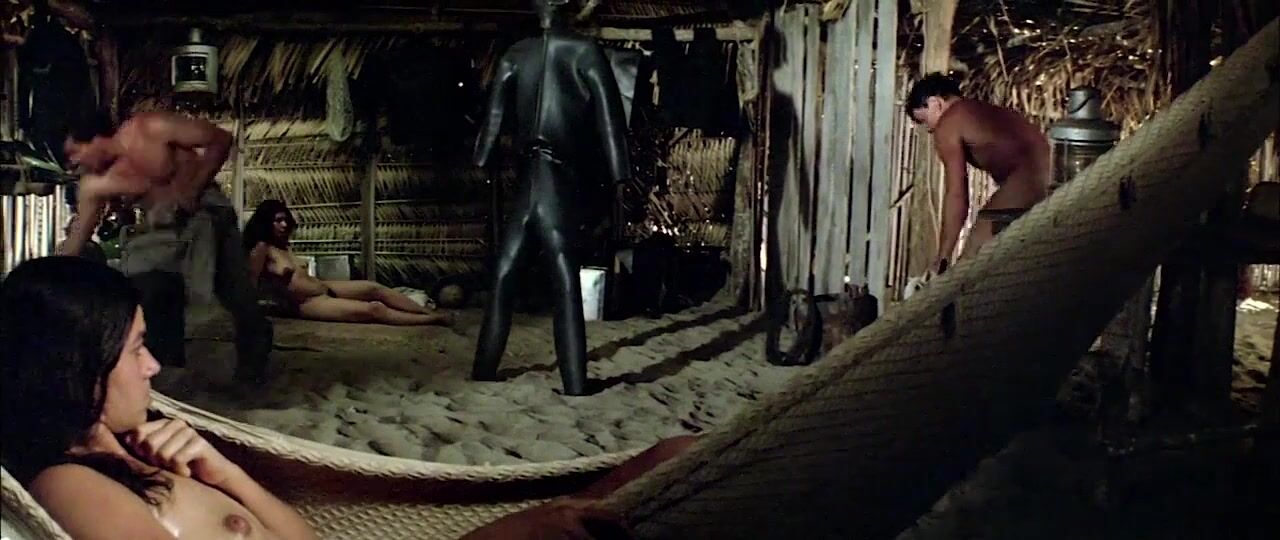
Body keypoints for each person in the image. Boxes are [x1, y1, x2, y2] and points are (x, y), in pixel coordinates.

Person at [1, 256, 698, 539]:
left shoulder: (142, 453)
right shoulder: (67, 484)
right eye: (135, 350)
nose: (154, 366)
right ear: (77, 367)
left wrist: (225, 471)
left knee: (669, 463)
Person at [59, 108, 272, 384]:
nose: (73, 162)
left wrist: (193, 189)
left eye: (74, 152)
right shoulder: (95, 185)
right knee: (151, 286)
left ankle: (254, 354)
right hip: (163, 232)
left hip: (207, 212)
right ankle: (167, 366)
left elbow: (221, 139)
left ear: (96, 139)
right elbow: (77, 240)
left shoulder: (149, 128)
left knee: (237, 293)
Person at [905, 73, 1051, 272]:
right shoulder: (980, 110)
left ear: (935, 103)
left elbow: (957, 195)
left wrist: (943, 257)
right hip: (1053, 173)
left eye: (925, 121)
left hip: (1030, 177)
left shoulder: (948, 123)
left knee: (971, 262)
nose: (930, 129)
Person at [241, 199, 453, 326]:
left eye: (285, 220)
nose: (284, 225)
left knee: (374, 288)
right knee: (374, 309)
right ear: (266, 222)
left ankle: (427, 312)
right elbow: (250, 284)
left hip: (323, 286)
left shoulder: (283, 246)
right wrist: (264, 307)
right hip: (306, 303)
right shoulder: (261, 248)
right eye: (278, 220)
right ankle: (431, 320)